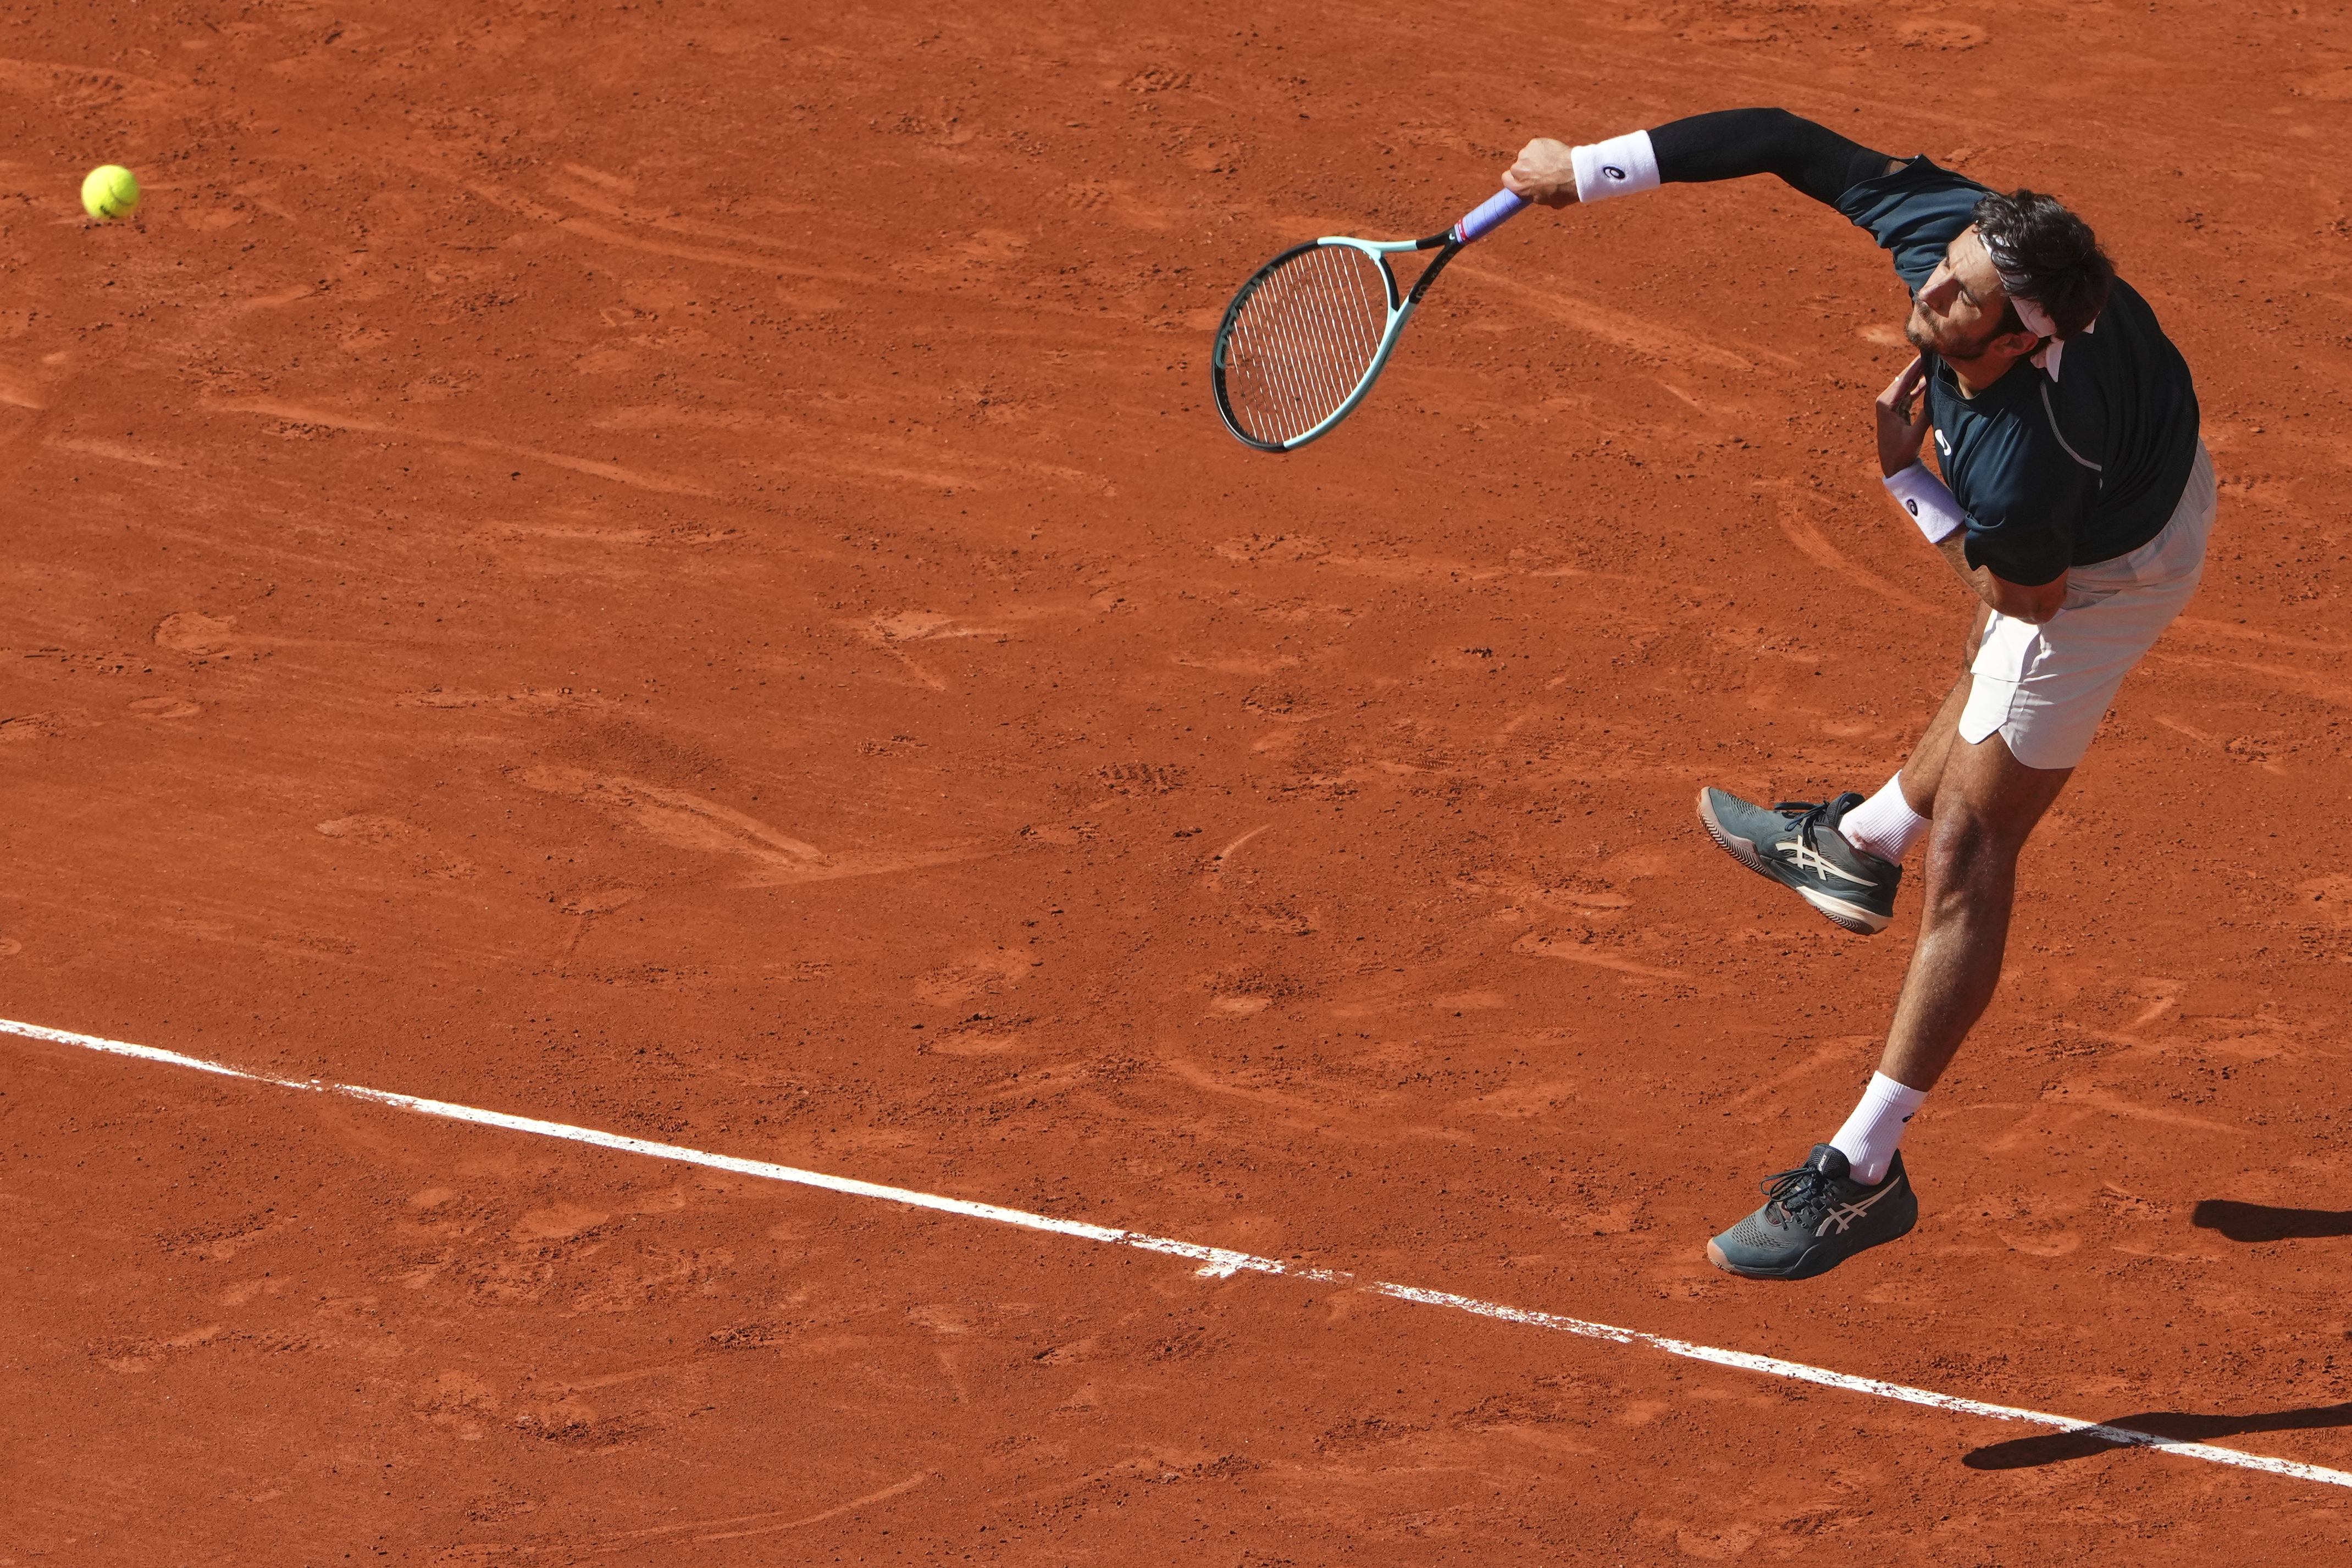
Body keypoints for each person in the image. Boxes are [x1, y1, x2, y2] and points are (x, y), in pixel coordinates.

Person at [1500, 109, 2209, 1279]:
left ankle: (1866, 1168)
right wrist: (1589, 170)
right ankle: (1858, 845)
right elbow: (1787, 141)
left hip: (2104, 571)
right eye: (1948, 264)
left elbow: (2026, 599)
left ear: (2019, 337)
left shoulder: (2028, 456)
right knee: (1982, 690)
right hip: (2134, 468)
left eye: (1962, 297)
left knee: (1974, 838)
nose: (1932, 290)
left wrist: (1906, 479)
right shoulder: (1968, 246)